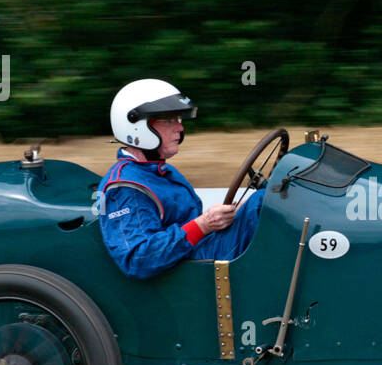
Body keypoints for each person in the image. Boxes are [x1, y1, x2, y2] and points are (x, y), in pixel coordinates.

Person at [98, 79, 264, 279]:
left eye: (178, 119)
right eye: (169, 120)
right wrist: (204, 224)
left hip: (198, 255)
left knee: (268, 201)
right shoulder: (126, 188)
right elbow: (138, 259)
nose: (180, 128)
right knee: (263, 202)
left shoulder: (156, 170)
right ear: (137, 126)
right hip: (187, 272)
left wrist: (228, 215)